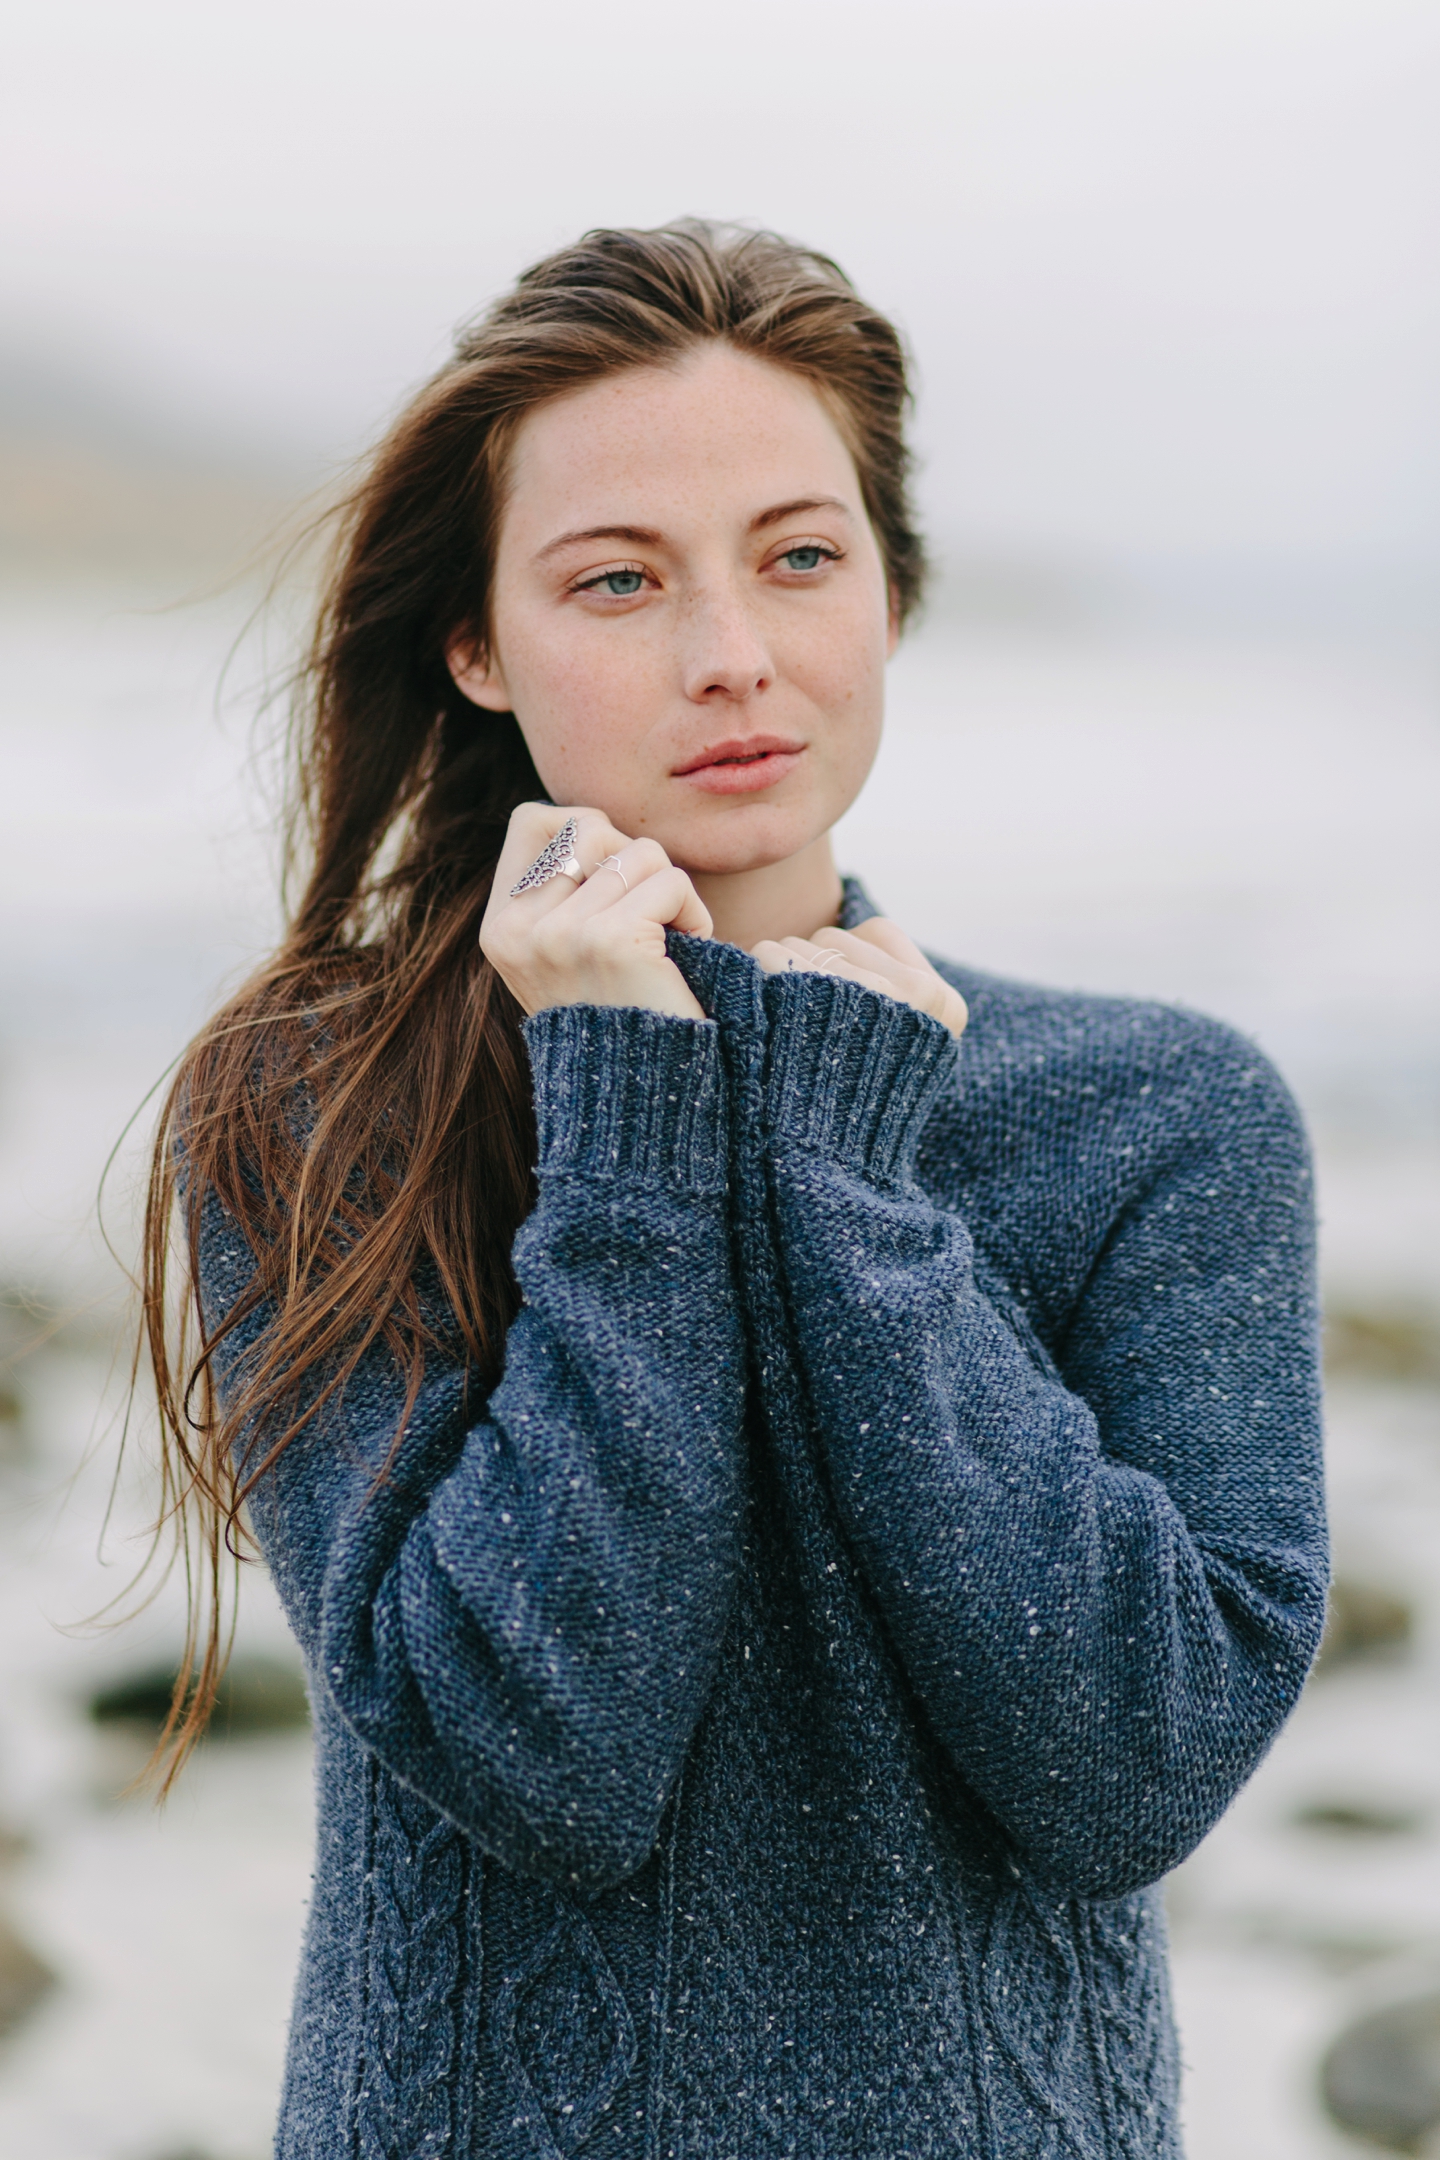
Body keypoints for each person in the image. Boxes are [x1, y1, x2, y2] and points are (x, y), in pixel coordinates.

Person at [142, 221, 1327, 2159]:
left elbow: (1135, 1770)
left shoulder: (1158, 1119)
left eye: (800, 558)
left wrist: (848, 1188)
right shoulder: (312, 1111)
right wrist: (628, 1107)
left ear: (889, 592)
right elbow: (547, 1754)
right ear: (476, 646)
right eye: (617, 582)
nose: (732, 658)